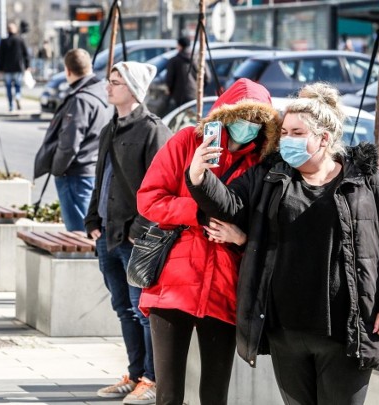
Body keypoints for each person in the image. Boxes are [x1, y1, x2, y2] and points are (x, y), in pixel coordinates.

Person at [187, 83, 379, 405]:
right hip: (286, 331)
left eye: (296, 132)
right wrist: (200, 177)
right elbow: (229, 205)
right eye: (284, 133)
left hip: (346, 332)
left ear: (323, 138)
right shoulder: (270, 176)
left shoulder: (369, 181)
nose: (285, 140)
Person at [136, 78, 280, 405]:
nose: (250, 126)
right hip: (173, 283)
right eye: (244, 115)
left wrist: (240, 237)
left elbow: (265, 224)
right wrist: (196, 213)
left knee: (215, 395)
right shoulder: (189, 141)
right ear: (226, 113)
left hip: (225, 288)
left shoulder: (260, 163)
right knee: (169, 394)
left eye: (259, 120)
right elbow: (149, 199)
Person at [84, 61, 171, 405]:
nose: (108, 87)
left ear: (133, 89)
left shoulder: (152, 129)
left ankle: (151, 379)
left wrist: (139, 230)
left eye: (116, 82)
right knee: (123, 307)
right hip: (106, 233)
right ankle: (134, 374)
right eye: (109, 81)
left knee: (143, 310)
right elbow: (100, 179)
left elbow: (163, 185)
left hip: (135, 238)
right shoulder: (110, 127)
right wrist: (92, 219)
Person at [34, 48, 112, 232]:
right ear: (90, 67)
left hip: (75, 173)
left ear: (67, 70)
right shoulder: (103, 92)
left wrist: (58, 170)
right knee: (91, 230)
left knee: (79, 233)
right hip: (93, 168)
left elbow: (69, 143)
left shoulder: (81, 100)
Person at [164, 36, 207, 114]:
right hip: (196, 95)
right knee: (195, 119)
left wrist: (170, 90)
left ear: (180, 46)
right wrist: (200, 87)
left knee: (181, 120)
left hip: (179, 97)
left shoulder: (174, 60)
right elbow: (207, 77)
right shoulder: (198, 58)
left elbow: (169, 80)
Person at [0, 22, 30, 111]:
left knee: (8, 87)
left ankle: (11, 105)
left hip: (7, 68)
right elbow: (26, 54)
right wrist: (27, 65)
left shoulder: (4, 41)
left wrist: (0, 68)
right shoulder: (20, 40)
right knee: (18, 85)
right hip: (18, 67)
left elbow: (0, 56)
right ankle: (18, 96)